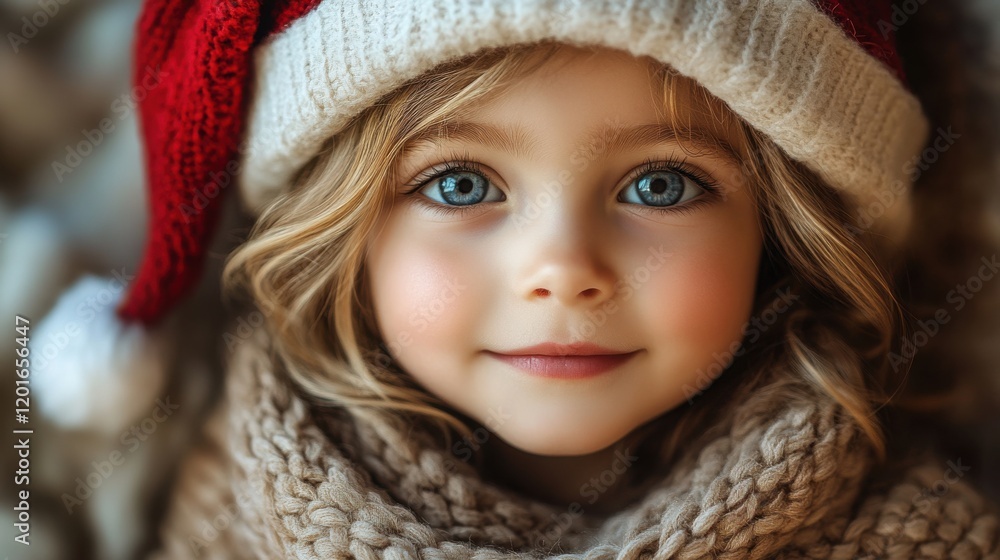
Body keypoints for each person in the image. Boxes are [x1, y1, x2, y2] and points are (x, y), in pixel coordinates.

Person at [30, 0, 1000, 558]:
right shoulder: (216, 514)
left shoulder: (923, 533)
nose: (562, 270)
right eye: (460, 183)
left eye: (660, 183)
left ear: (781, 232)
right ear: (345, 233)